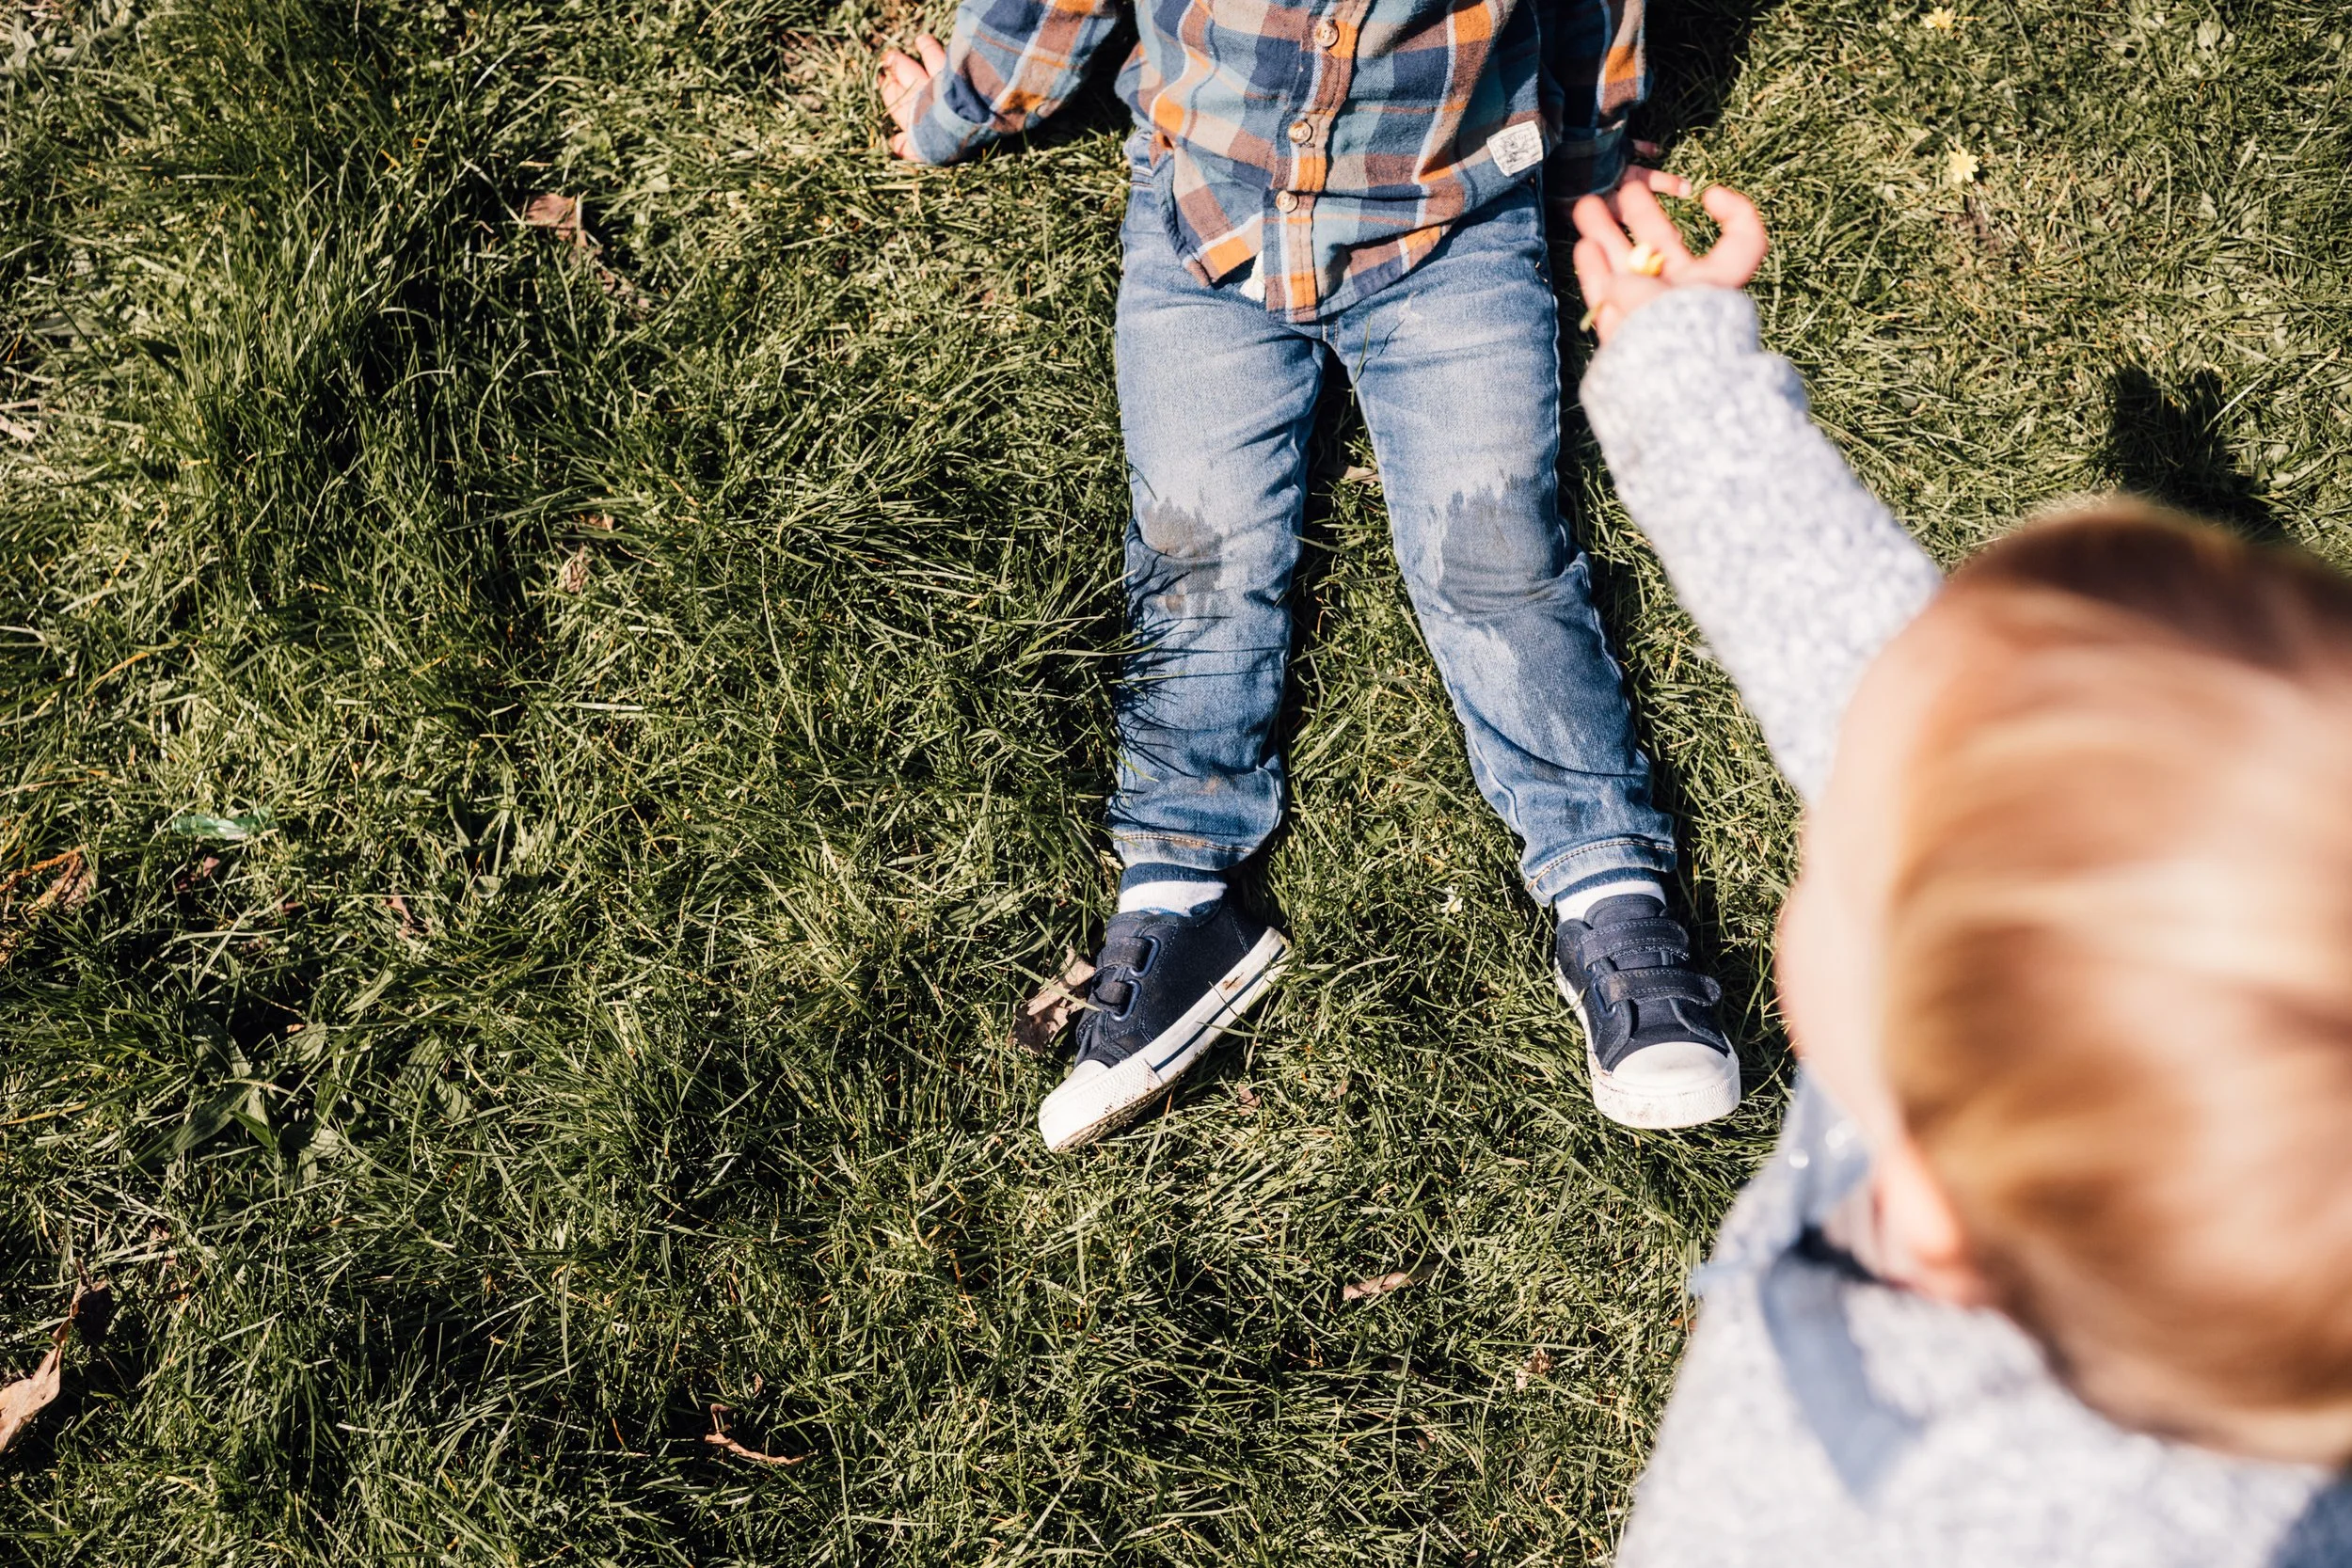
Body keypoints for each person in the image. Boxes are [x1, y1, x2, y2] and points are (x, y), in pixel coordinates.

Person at [1568, 181, 2352, 1564]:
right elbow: (1858, 665)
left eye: (1835, 849)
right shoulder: (2021, 1079)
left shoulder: (1855, 1507)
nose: (1831, 803)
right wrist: (1685, 381)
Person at [876, 0, 1743, 1151]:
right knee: (1195, 553)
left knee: (1497, 559)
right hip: (1208, 225)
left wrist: (1587, 171)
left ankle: (1609, 890)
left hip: (1450, 228)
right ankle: (1179, 894)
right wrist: (955, 112)